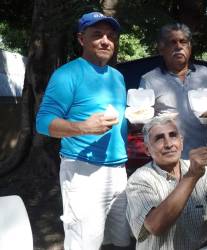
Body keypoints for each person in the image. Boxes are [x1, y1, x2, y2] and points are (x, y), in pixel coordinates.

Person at [36, 12, 130, 249]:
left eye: (110, 35)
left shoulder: (117, 77)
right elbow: (43, 121)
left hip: (119, 171)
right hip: (83, 173)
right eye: (97, 35)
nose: (105, 41)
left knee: (119, 241)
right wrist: (83, 127)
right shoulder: (67, 74)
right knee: (84, 243)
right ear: (81, 39)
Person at [125, 115, 207, 250]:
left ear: (181, 143)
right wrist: (192, 176)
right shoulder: (139, 179)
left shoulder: (200, 170)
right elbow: (155, 226)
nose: (169, 144)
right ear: (147, 150)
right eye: (159, 138)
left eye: (173, 136)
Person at [139, 23, 207, 159]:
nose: (178, 46)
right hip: (171, 160)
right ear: (162, 48)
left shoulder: (205, 74)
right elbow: (143, 122)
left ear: (189, 47)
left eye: (183, 42)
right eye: (172, 42)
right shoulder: (149, 79)